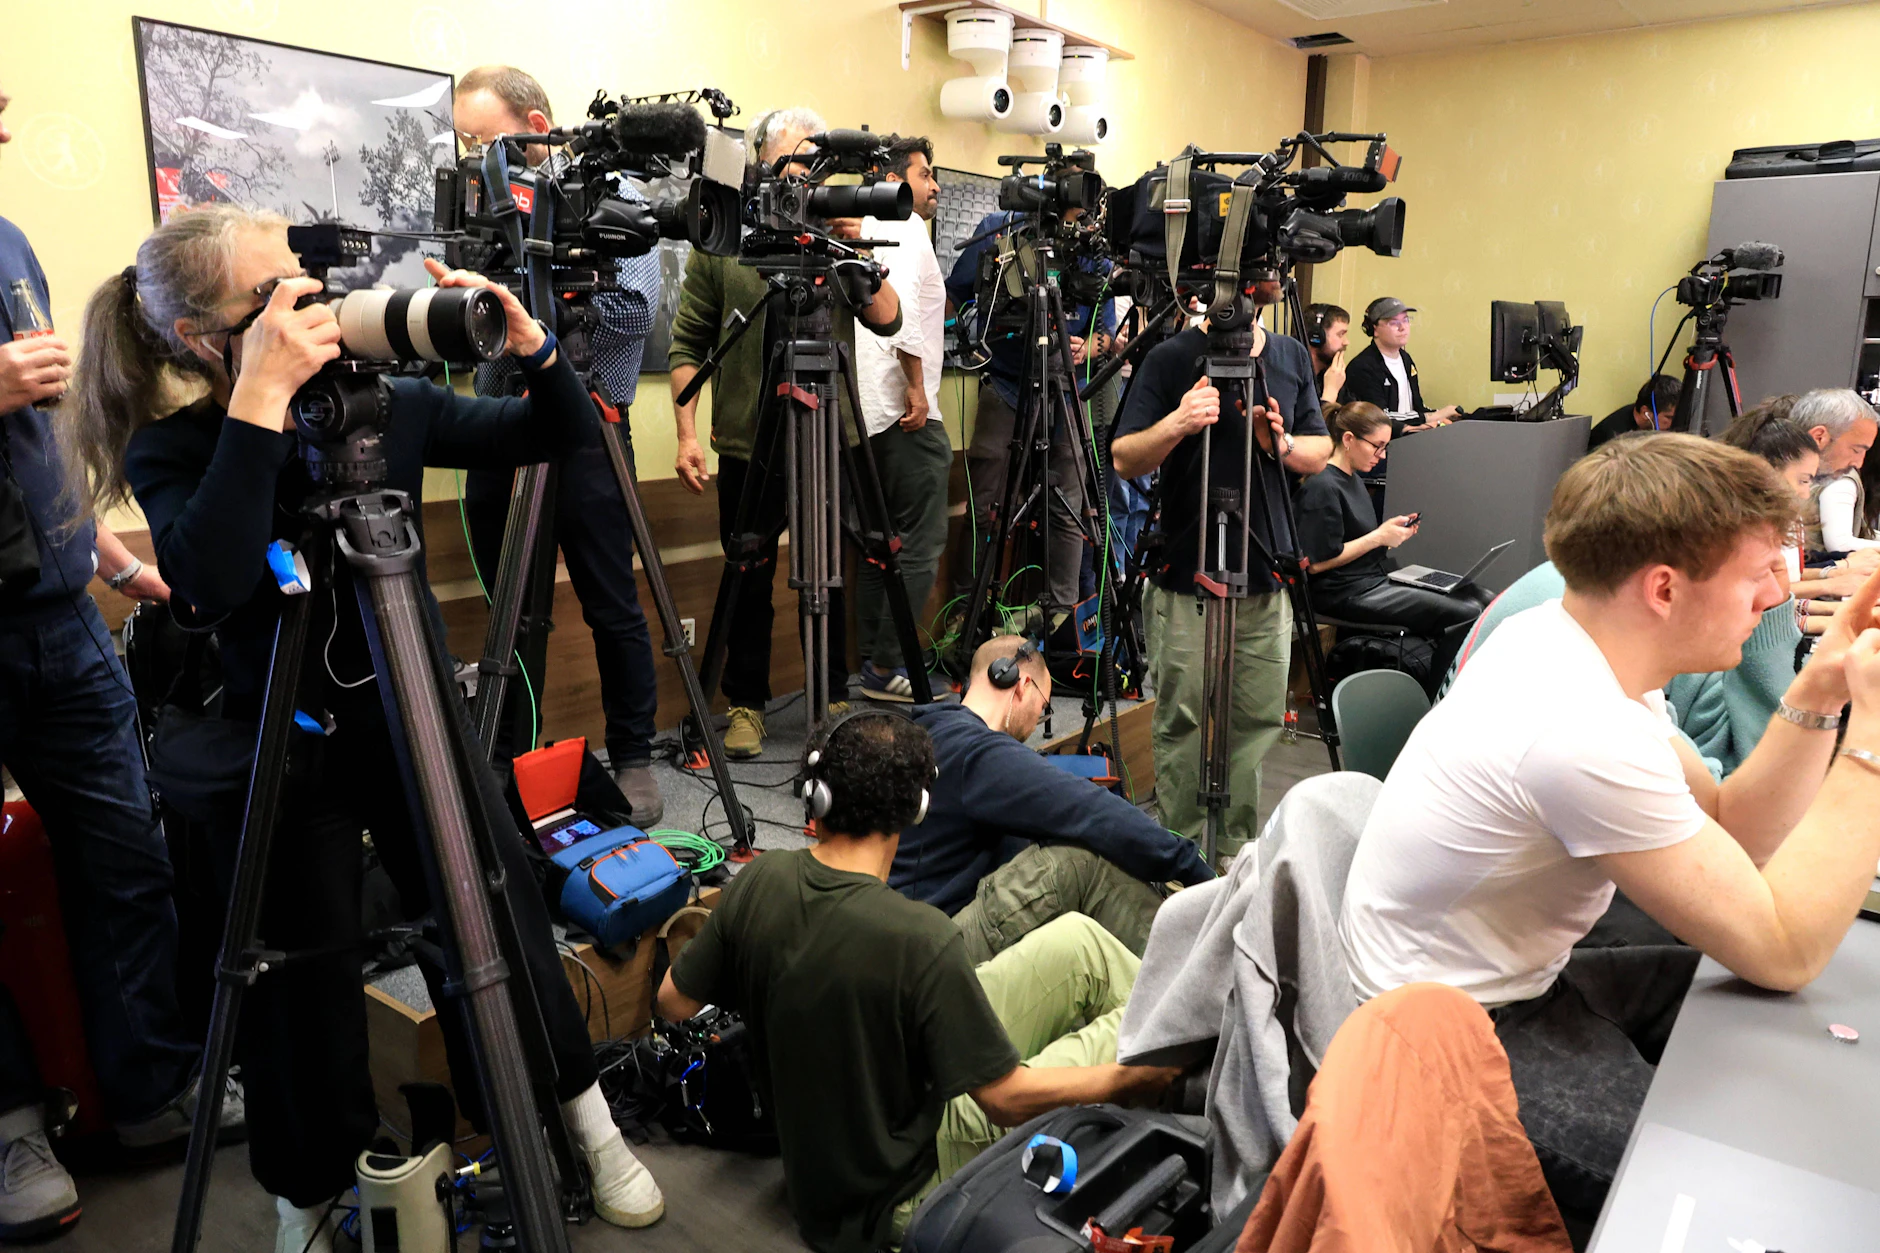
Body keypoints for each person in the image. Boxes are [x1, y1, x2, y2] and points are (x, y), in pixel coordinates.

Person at [62, 204, 664, 1251]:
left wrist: (536, 350)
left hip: (416, 716)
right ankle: (306, 1195)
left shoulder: (383, 410)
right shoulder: (182, 446)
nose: (309, 309)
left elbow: (554, 436)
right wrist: (257, 398)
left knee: (496, 912)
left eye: (303, 284)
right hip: (286, 743)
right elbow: (201, 585)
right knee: (301, 988)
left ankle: (582, 1121)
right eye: (274, 298)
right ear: (206, 337)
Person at [1340, 433, 1880, 1230]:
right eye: (1758, 572)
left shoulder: (1579, 647)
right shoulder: (1576, 725)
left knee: (1779, 1028)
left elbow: (1732, 827)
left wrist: (1822, 689)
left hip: (1514, 977)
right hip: (1455, 1041)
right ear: (1663, 588)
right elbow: (1784, 947)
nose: (1775, 597)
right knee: (1739, 1199)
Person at [656, 710, 1179, 1253]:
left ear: (818, 798)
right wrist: (1129, 1081)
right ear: (916, 809)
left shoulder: (760, 878)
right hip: (903, 1189)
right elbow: (1004, 1100)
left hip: (823, 1181)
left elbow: (672, 1000)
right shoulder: (919, 937)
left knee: (1080, 942)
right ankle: (1188, 1085)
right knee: (1142, 1035)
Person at [0, 84, 240, 1244]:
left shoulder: (7, 244)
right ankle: (8, 1122)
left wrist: (103, 546)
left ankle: (149, 1088)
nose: (6, 119)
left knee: (128, 856)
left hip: (59, 613)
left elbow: (34, 433)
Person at [450, 66, 667, 823]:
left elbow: (636, 317)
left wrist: (545, 314)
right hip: (497, 417)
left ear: (537, 128)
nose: (476, 154)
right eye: (468, 141)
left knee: (613, 600)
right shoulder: (479, 199)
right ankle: (510, 754)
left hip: (590, 417)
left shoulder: (614, 199)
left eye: (488, 139)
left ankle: (634, 756)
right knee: (510, 603)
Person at [669, 107, 903, 758]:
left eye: (813, 164)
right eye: (792, 163)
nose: (804, 178)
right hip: (749, 441)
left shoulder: (838, 238)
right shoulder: (724, 244)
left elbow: (889, 319)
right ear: (762, 165)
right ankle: (745, 703)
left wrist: (856, 250)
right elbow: (689, 340)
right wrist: (687, 434)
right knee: (748, 574)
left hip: (830, 437)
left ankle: (829, 697)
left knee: (826, 571)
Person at [1109, 301, 1332, 860]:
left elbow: (1321, 450)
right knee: (1181, 720)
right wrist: (1179, 423)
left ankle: (1236, 850)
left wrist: (1279, 444)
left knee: (1255, 720)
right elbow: (1123, 457)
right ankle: (1180, 853)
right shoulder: (1170, 358)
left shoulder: (1287, 356)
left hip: (1266, 574)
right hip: (1187, 572)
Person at [894, 636, 1213, 961]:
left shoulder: (931, 731)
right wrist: (1191, 867)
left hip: (914, 936)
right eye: (1044, 708)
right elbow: (1090, 810)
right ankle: (1188, 972)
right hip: (932, 952)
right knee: (1080, 862)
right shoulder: (977, 753)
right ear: (1020, 685)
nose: (1036, 723)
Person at [943, 200, 1113, 639]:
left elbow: (1105, 333)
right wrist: (973, 333)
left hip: (1065, 392)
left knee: (1067, 507)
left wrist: (1088, 347)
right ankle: (968, 611)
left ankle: (1060, 616)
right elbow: (957, 291)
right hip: (1004, 385)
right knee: (984, 505)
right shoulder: (1000, 231)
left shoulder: (1093, 247)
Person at [854, 134, 948, 702]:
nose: (934, 185)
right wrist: (916, 387)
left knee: (879, 544)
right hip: (903, 412)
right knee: (919, 541)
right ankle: (890, 665)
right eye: (925, 172)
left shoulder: (860, 223)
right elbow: (903, 311)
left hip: (863, 417)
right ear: (893, 178)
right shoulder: (904, 224)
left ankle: (872, 660)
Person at [1296, 401, 1491, 638]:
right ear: (1348, 439)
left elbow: (1357, 540)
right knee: (1466, 612)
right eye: (1377, 446)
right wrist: (1378, 537)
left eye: (1385, 447)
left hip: (1372, 578)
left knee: (1483, 598)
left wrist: (1388, 536)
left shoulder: (1353, 479)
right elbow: (1317, 564)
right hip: (1342, 592)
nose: (1382, 455)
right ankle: (1449, 675)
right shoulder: (1322, 487)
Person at [1338, 296, 1458, 430]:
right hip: (1383, 442)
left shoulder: (1406, 359)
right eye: (1394, 322)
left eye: (1406, 320)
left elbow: (1416, 407)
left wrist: (1441, 416)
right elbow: (1379, 418)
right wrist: (1431, 417)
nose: (1403, 328)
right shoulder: (1363, 366)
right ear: (1374, 329)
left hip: (1411, 436)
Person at [1796, 388, 1880, 555]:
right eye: (1856, 450)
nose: (1859, 463)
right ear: (1819, 437)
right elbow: (1839, 543)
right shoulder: (1842, 480)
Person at [1585, 374, 1680, 450]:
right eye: (1669, 417)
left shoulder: (1640, 415)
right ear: (1645, 413)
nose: (1674, 423)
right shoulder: (1614, 439)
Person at [1304, 301, 1350, 409]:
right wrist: (1330, 393)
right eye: (1340, 334)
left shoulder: (1331, 374)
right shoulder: (1291, 374)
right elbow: (1310, 425)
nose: (1346, 342)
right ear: (1317, 337)